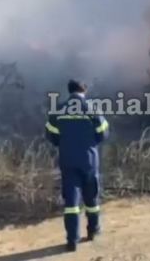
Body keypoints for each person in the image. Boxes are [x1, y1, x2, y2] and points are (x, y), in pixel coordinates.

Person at [45, 80, 110, 252]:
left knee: (72, 202)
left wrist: (65, 144)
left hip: (68, 160)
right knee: (92, 198)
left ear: (69, 91)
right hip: (89, 159)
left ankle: (72, 240)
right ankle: (93, 230)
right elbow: (103, 132)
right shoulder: (92, 108)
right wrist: (90, 144)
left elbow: (51, 135)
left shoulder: (58, 109)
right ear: (84, 90)